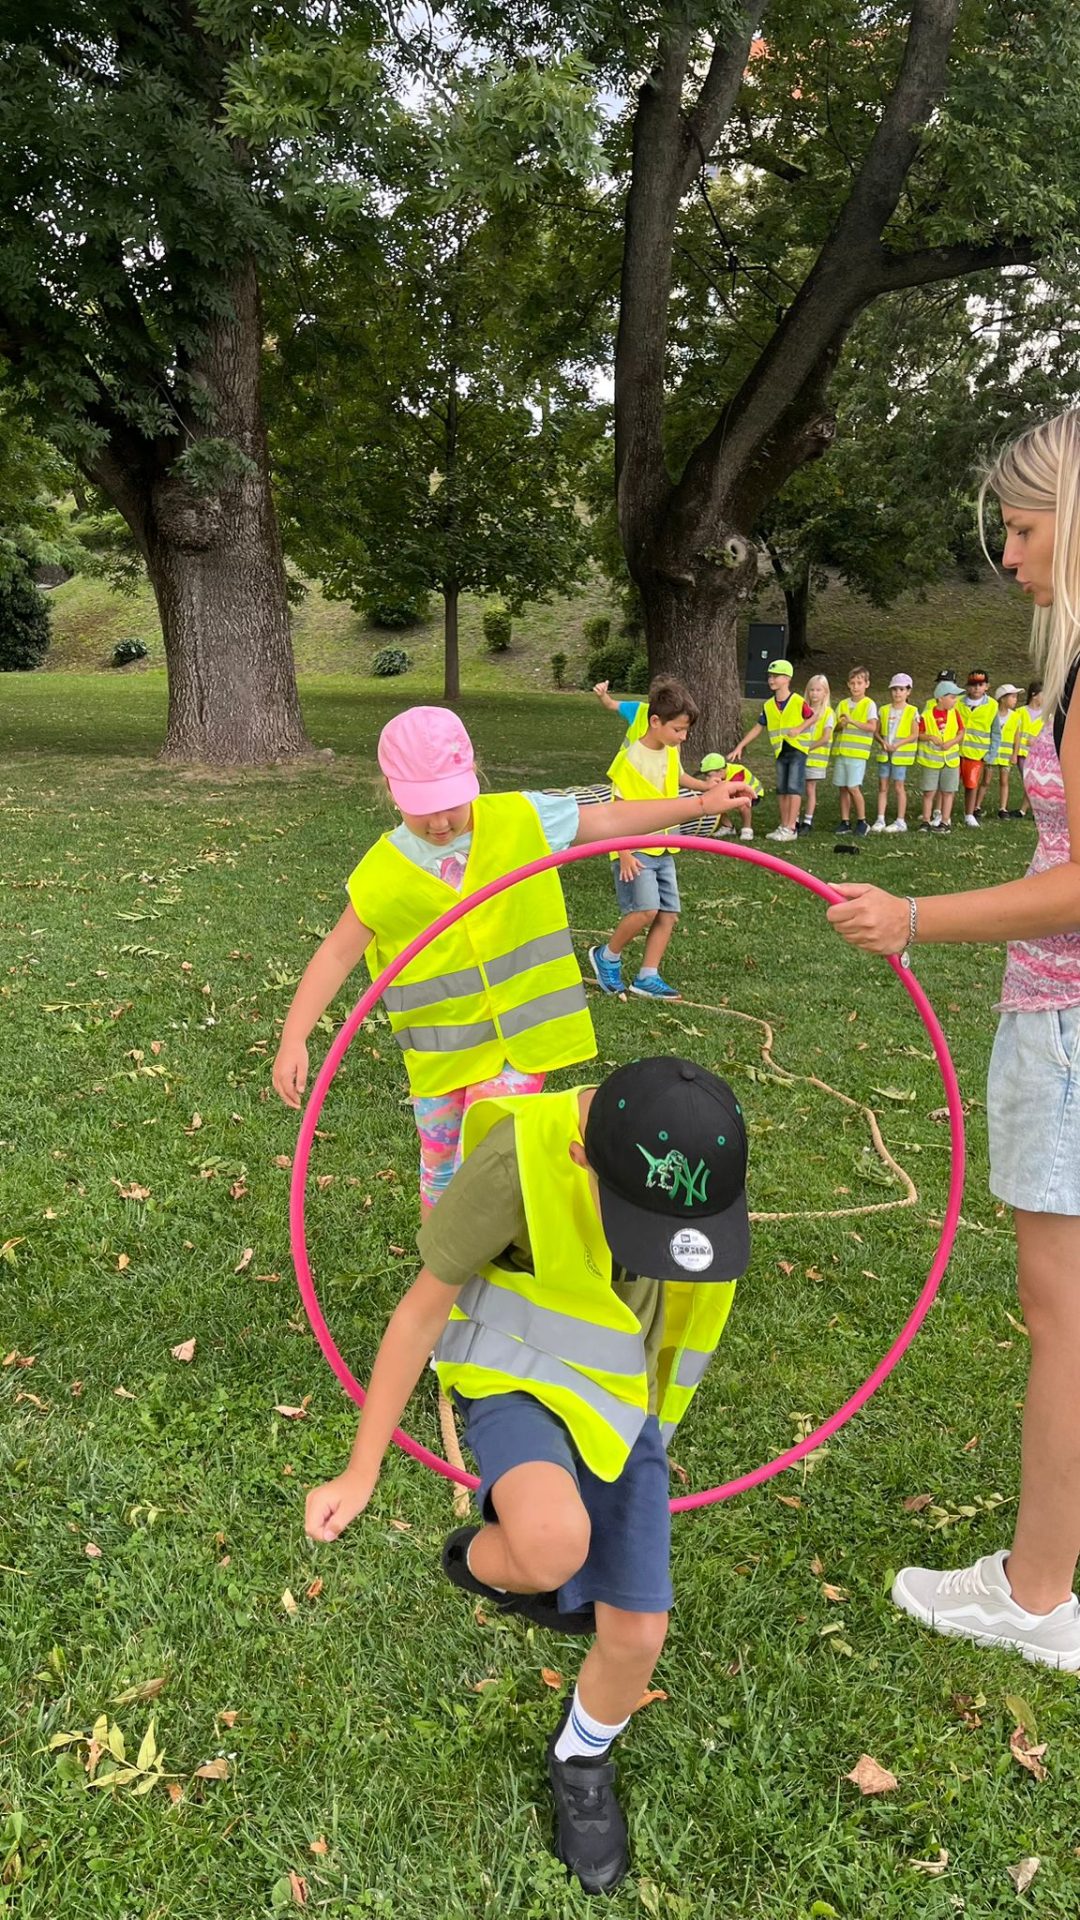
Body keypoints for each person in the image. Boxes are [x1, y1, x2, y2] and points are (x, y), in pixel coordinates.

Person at [303, 1054, 752, 1892]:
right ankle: (477, 1557)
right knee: (550, 1546)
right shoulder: (517, 1161)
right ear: (584, 1158)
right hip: (513, 1368)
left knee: (638, 1635)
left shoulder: (697, 1170)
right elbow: (421, 1312)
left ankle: (581, 1759)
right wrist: (360, 1473)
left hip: (616, 1395)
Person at [826, 407, 1080, 1670]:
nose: (1009, 557)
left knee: (1061, 1315)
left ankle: (1035, 1597)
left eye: (1024, 530)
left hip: (1068, 1027)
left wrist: (915, 916)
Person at [273, 706, 748, 1210]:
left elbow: (609, 819)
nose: (440, 821)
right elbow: (336, 953)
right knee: (440, 1167)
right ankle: (442, 1252)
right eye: (422, 807)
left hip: (519, 1044)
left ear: (472, 777)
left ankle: (488, 1250)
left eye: (451, 803)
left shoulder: (521, 819)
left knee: (486, 1160)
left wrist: (700, 803)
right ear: (392, 791)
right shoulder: (381, 873)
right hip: (442, 1057)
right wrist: (294, 1036)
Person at [590, 678, 737, 1002]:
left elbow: (678, 777)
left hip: (666, 845)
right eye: (678, 730)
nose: (683, 737)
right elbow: (616, 810)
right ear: (655, 721)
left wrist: (708, 788)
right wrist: (623, 853)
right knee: (645, 910)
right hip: (635, 849)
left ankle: (648, 976)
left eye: (686, 730)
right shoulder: (631, 759)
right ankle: (607, 957)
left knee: (667, 914)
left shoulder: (670, 751)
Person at [729, 658, 815, 843]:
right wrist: (740, 745)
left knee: (793, 788)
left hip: (797, 749)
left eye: (776, 676)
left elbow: (812, 717)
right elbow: (758, 727)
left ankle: (791, 827)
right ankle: (783, 825)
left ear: (787, 678)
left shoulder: (797, 701)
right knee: (782, 789)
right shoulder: (768, 705)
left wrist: (799, 729)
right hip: (780, 751)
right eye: (770, 676)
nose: (771, 680)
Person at [831, 666, 878, 837]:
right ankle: (845, 821)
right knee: (843, 787)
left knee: (853, 787)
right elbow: (835, 727)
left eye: (859, 683)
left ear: (867, 684)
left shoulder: (869, 704)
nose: (855, 686)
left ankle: (862, 821)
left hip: (857, 754)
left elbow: (872, 727)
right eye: (852, 683)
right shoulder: (843, 704)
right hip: (842, 752)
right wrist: (840, 725)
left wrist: (852, 721)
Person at [871, 673, 918, 833]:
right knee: (883, 785)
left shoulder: (912, 711)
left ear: (908, 692)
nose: (898, 693)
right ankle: (880, 818)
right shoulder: (884, 710)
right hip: (885, 754)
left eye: (901, 689)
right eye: (895, 689)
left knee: (899, 786)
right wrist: (883, 742)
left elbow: (914, 734)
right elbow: (876, 732)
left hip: (900, 755)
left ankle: (900, 820)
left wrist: (897, 744)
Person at [915, 679, 963, 831]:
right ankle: (926, 820)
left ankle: (945, 821)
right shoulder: (927, 715)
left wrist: (952, 742)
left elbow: (961, 731)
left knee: (948, 791)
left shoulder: (955, 713)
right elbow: (919, 734)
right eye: (952, 697)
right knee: (929, 791)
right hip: (931, 761)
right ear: (941, 698)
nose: (955, 700)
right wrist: (930, 737)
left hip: (951, 760)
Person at [957, 668, 998, 826]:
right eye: (973, 684)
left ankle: (969, 814)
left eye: (980, 685)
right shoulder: (958, 702)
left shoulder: (992, 705)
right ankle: (940, 812)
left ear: (987, 686)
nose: (976, 688)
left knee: (971, 784)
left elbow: (996, 732)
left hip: (977, 753)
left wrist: (991, 753)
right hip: (955, 750)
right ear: (967, 686)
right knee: (949, 784)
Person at [796, 673, 834, 834]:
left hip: (816, 758)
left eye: (819, 690)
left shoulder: (828, 713)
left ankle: (807, 821)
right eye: (812, 690)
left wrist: (808, 748)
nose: (814, 693)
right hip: (799, 756)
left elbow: (826, 737)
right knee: (797, 788)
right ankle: (794, 819)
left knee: (810, 788)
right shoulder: (802, 710)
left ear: (825, 692)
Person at [699, 751, 762, 840]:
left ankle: (747, 829)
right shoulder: (721, 775)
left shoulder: (738, 772)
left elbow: (738, 788)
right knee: (713, 801)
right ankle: (728, 827)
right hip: (733, 792)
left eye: (709, 775)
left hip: (753, 793)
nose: (707, 779)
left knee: (743, 801)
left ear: (721, 771)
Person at [988, 683, 1023, 818]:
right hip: (992, 753)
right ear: (1002, 698)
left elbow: (1017, 736)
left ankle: (1003, 808)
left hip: (1006, 754)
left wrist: (1015, 753)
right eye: (1012, 697)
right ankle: (976, 806)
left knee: (1004, 781)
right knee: (986, 780)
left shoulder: (1015, 716)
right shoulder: (992, 713)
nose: (1015, 700)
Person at [1013, 677, 1045, 818]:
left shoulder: (1047, 715)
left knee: (1033, 782)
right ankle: (1034, 810)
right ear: (1034, 695)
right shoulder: (1019, 712)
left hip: (1038, 754)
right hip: (1022, 752)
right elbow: (1015, 731)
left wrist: (1037, 740)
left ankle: (1024, 810)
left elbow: (1048, 734)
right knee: (1030, 782)